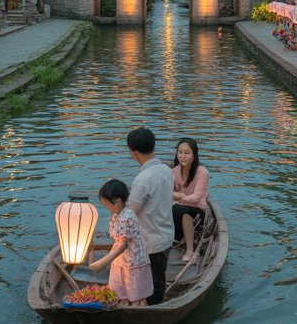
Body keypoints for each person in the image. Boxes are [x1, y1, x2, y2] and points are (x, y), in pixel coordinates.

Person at [125, 126, 174, 304]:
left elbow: (131, 211)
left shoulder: (142, 179)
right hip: (166, 234)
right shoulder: (166, 170)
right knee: (158, 278)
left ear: (133, 151)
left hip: (151, 241)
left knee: (152, 284)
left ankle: (153, 309)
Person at [89, 179, 153, 306]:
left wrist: (104, 261)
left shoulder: (127, 217)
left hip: (133, 261)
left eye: (106, 203)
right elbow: (117, 241)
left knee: (136, 295)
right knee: (120, 291)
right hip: (121, 260)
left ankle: (137, 309)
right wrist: (111, 260)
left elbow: (122, 246)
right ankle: (123, 304)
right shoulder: (116, 215)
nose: (105, 206)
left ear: (117, 200)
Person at [171, 138, 209, 263]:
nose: (182, 156)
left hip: (197, 208)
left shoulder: (202, 172)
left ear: (194, 155)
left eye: (187, 153)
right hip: (176, 208)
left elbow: (197, 197)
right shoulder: (174, 171)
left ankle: (190, 250)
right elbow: (166, 192)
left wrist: (178, 197)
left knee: (184, 212)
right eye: (180, 152)